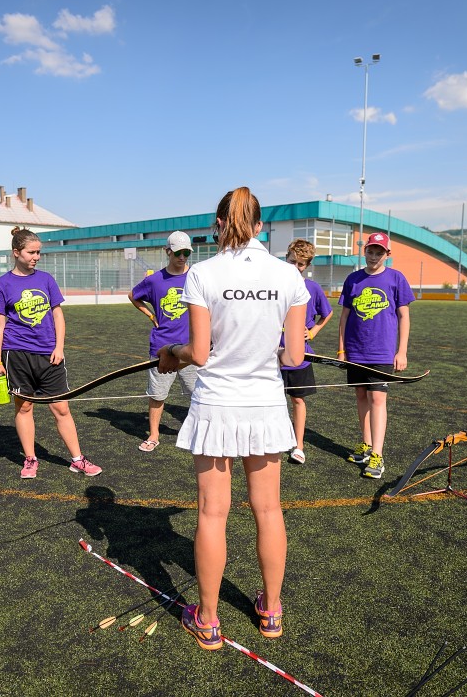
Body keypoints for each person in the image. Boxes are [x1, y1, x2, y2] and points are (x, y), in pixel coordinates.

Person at [158, 187, 308, 651]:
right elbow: (296, 356)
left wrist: (170, 356)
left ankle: (207, 620)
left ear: (219, 224)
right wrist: (262, 350)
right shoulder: (288, 276)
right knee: (268, 511)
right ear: (260, 227)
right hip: (264, 406)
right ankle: (272, 612)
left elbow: (198, 353)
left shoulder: (202, 273)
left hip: (218, 406)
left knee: (212, 514)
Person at [0, 226, 101, 479]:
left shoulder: (46, 279)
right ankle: (30, 459)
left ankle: (77, 459)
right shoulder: (2, 284)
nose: (36, 257)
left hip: (49, 354)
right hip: (16, 355)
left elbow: (58, 315)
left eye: (38, 252)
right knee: (24, 407)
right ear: (16, 252)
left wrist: (59, 347)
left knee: (61, 408)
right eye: (31, 252)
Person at [337, 231, 414, 479]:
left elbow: (404, 316)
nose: (373, 256)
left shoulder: (396, 278)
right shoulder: (353, 279)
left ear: (387, 255)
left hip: (381, 352)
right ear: (364, 251)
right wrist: (341, 349)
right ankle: (366, 445)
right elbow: (344, 317)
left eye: (378, 253)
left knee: (378, 400)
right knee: (361, 396)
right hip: (355, 350)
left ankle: (378, 456)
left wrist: (401, 351)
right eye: (370, 251)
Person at [129, 231, 199, 452]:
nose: (182, 257)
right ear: (167, 251)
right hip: (162, 347)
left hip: (190, 348)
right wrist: (150, 315)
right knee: (157, 395)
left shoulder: (196, 277)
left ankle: (199, 433)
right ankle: (154, 435)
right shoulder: (154, 280)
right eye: (178, 252)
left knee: (198, 395)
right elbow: (133, 296)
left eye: (187, 252)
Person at [280, 240, 334, 464]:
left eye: (301, 264)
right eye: (292, 261)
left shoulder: (312, 288)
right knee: (271, 402)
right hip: (270, 357)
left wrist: (313, 333)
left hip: (299, 358)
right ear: (286, 258)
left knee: (298, 401)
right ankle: (273, 441)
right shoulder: (274, 286)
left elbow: (327, 313)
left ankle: (298, 445)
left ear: (307, 265)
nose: (295, 267)